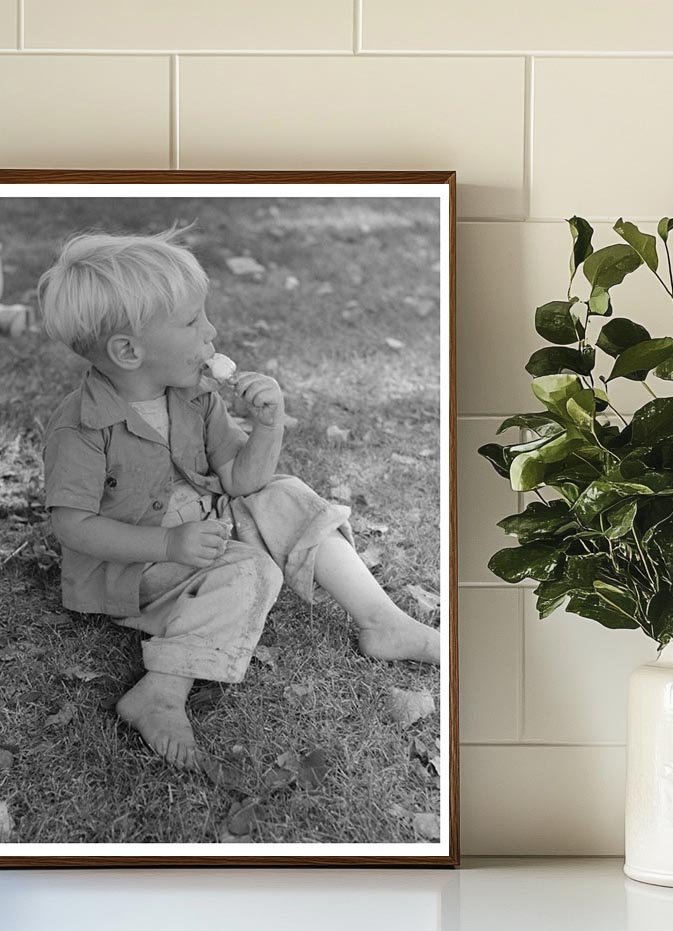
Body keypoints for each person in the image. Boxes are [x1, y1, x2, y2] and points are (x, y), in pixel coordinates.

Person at [39, 225, 439, 770]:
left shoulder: (194, 394)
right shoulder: (82, 427)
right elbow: (74, 525)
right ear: (129, 351)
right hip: (136, 568)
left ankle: (382, 620)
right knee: (251, 573)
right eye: (191, 322)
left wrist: (267, 425)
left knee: (287, 495)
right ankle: (159, 691)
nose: (212, 330)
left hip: (201, 526)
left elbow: (240, 482)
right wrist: (170, 543)